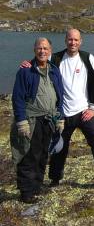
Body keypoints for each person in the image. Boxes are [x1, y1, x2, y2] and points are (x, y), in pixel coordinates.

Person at [45, 28, 94, 192]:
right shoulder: (56, 58)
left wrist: (93, 108)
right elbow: (39, 63)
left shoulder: (87, 58)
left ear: (81, 41)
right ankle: (55, 179)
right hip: (63, 114)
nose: (73, 42)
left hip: (83, 111)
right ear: (65, 40)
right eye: (70, 39)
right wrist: (28, 64)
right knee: (59, 146)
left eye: (76, 40)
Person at [11, 38, 64, 204]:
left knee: (43, 154)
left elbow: (59, 97)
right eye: (39, 48)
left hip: (49, 119)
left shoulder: (54, 70)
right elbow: (18, 98)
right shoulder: (26, 71)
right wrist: (21, 121)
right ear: (34, 50)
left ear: (50, 50)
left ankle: (37, 187)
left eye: (45, 48)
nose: (42, 51)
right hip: (32, 120)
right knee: (29, 155)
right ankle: (26, 192)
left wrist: (59, 118)